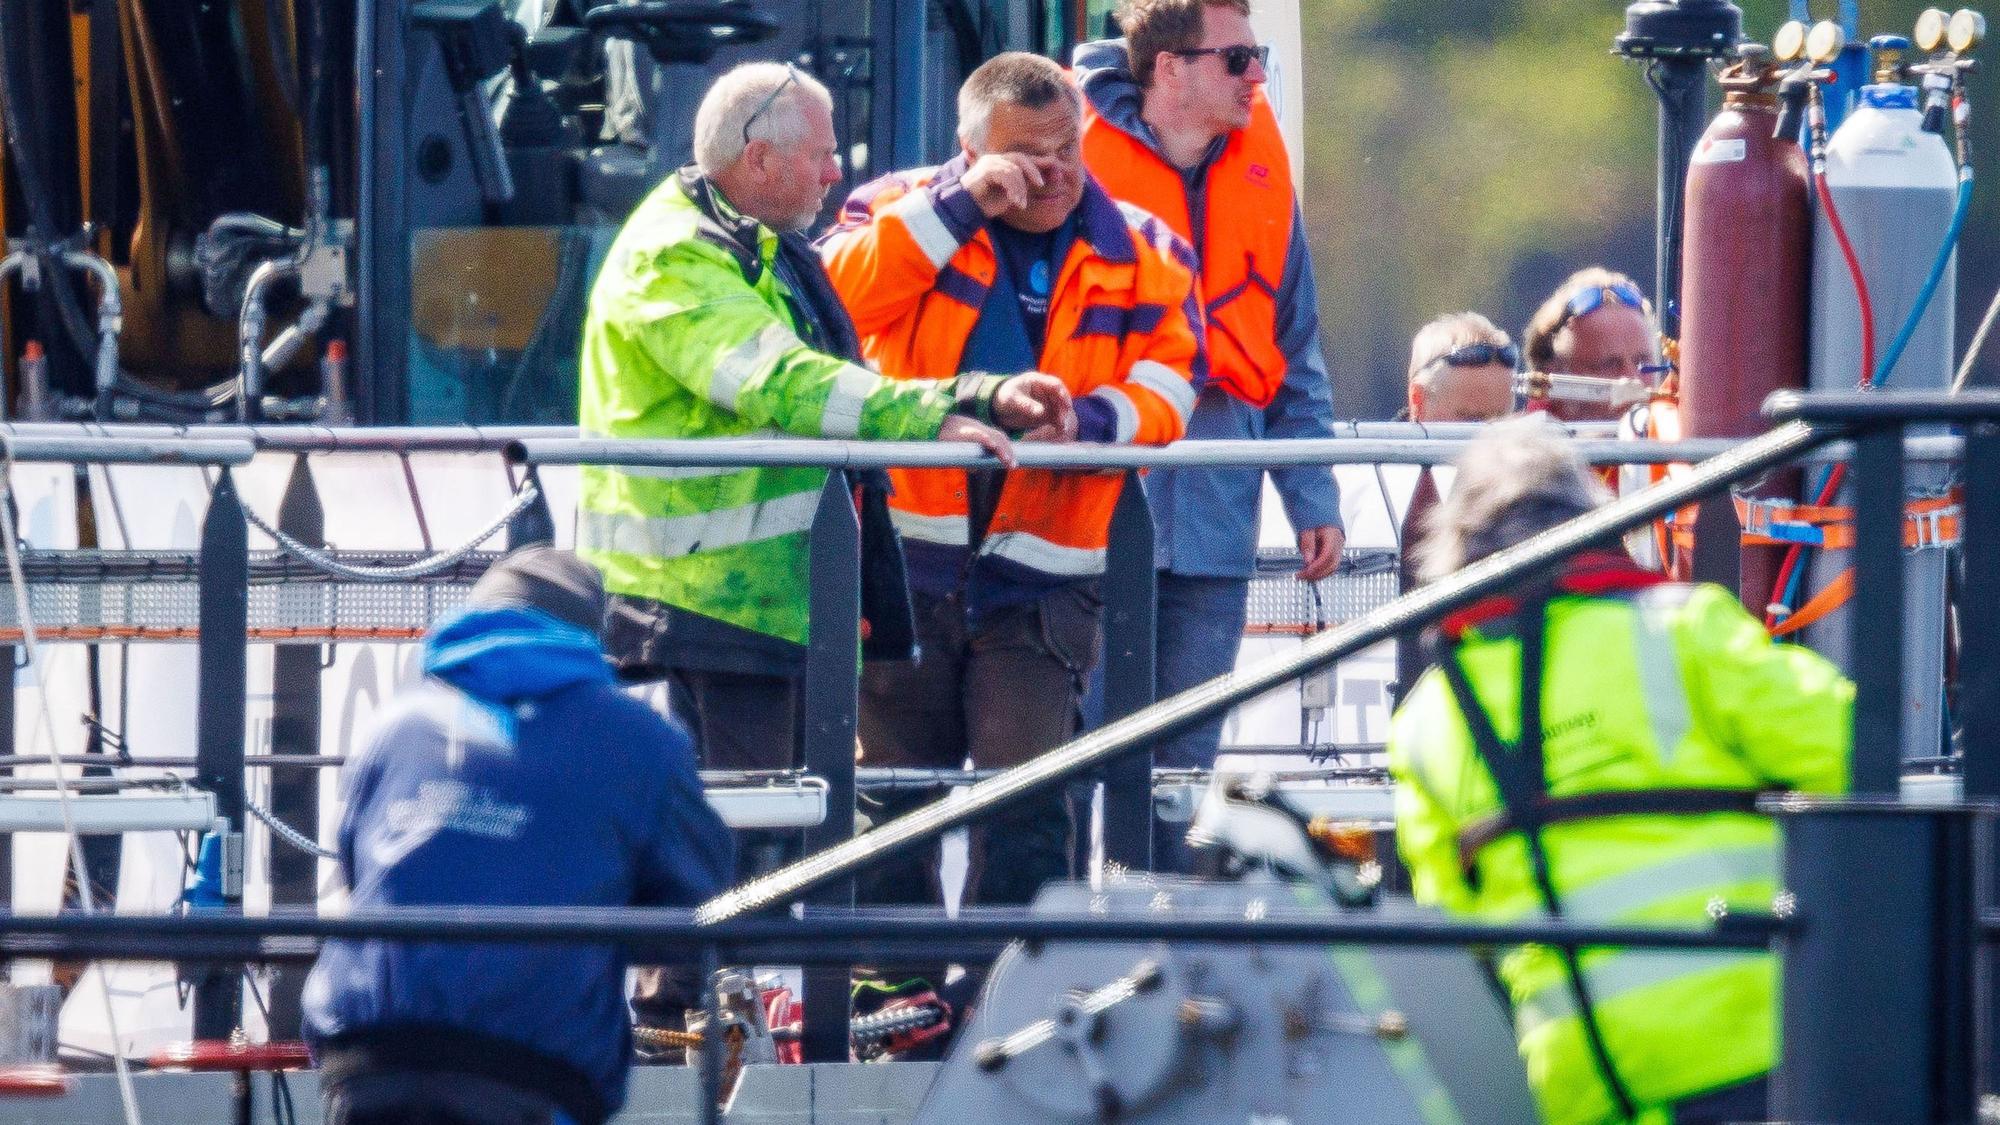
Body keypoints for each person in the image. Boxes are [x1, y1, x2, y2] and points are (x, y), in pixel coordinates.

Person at [578, 61, 1071, 773]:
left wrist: (972, 398)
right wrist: (934, 416)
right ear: (759, 158)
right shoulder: (676, 256)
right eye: (822, 155)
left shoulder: (747, 243)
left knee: (782, 832)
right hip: (713, 606)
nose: (836, 173)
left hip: (755, 601)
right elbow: (785, 382)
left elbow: (829, 375)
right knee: (755, 846)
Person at [1387, 418, 1852, 1125]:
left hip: (1577, 1075)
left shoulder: (1427, 717)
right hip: (1752, 1039)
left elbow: (1455, 920)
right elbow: (1845, 746)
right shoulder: (1684, 628)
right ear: (1598, 522)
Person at [819, 51, 1200, 908]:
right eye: (1029, 154)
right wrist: (957, 209)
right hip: (903, 564)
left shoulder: (1148, 246)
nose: (1055, 171)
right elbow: (831, 304)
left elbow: (1175, 384)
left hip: (1046, 581)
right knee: (890, 807)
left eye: (1069, 146)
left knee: (1030, 811)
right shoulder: (890, 209)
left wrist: (1090, 424)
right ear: (972, 148)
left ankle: (1011, 1012)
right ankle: (896, 1006)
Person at [303, 547, 734, 1125]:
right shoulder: (637, 738)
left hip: (363, 1064)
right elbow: (701, 914)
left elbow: (365, 878)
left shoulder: (392, 729)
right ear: (590, 635)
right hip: (529, 1068)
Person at [1075, 0, 1344, 775]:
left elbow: (1294, 351)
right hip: (1088, 521)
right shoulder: (1070, 160)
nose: (1256, 75)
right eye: (1236, 59)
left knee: (1181, 775)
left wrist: (1313, 498)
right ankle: (1063, 904)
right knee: (1068, 766)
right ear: (1169, 69)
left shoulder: (1264, 177)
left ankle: (1158, 900)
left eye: (1257, 55)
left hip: (1217, 527)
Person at [1522, 267, 1660, 421]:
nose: (1632, 379)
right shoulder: (1515, 443)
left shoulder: (1679, 438)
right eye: (1609, 364)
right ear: (1551, 378)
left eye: (1643, 363)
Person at [1406, 311, 1518, 423]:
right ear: (1418, 401)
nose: (1490, 436)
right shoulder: (1388, 438)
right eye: (1472, 420)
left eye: (1501, 423)